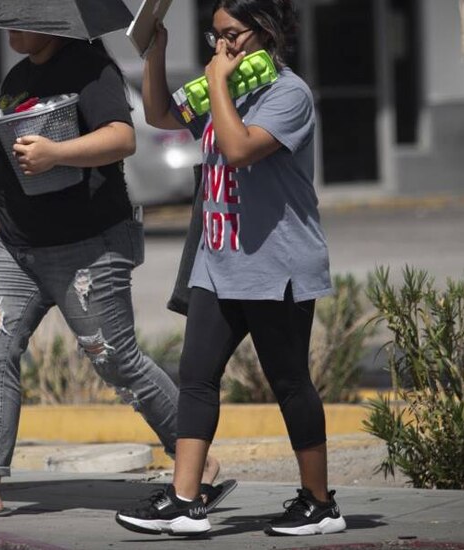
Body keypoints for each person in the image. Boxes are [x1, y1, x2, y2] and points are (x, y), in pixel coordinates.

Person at [0, 30, 227, 519]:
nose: (11, 26)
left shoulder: (91, 68)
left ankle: (198, 461)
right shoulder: (18, 78)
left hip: (87, 244)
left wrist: (57, 153)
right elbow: (1, 159)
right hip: (17, 245)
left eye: (23, 13)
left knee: (116, 360)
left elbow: (122, 139)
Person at [115, 0, 347, 537]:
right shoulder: (225, 82)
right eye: (214, 35)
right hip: (218, 261)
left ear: (264, 31)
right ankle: (184, 500)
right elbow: (158, 115)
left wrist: (219, 81)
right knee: (195, 377)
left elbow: (240, 148)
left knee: (289, 382)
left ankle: (320, 504)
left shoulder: (289, 94)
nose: (222, 46)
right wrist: (157, 53)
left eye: (233, 34)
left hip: (277, 264)